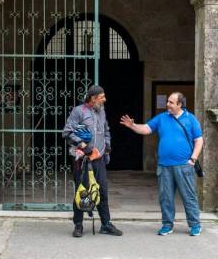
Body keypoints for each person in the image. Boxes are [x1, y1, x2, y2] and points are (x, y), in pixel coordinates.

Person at [120, 92, 203, 236]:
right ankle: (167, 224)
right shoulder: (162, 118)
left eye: (171, 102)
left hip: (184, 165)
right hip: (164, 166)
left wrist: (193, 159)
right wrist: (133, 126)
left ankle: (195, 225)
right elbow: (146, 128)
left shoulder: (191, 119)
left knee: (189, 196)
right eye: (168, 102)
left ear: (180, 104)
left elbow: (199, 141)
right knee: (165, 197)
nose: (168, 105)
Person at [62, 85, 123, 238]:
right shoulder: (78, 111)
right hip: (82, 160)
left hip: (99, 159)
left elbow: (106, 130)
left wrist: (107, 148)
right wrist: (84, 147)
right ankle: (78, 225)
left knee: (102, 191)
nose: (104, 99)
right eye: (102, 97)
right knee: (81, 191)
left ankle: (106, 224)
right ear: (93, 98)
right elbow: (67, 133)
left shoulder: (101, 111)